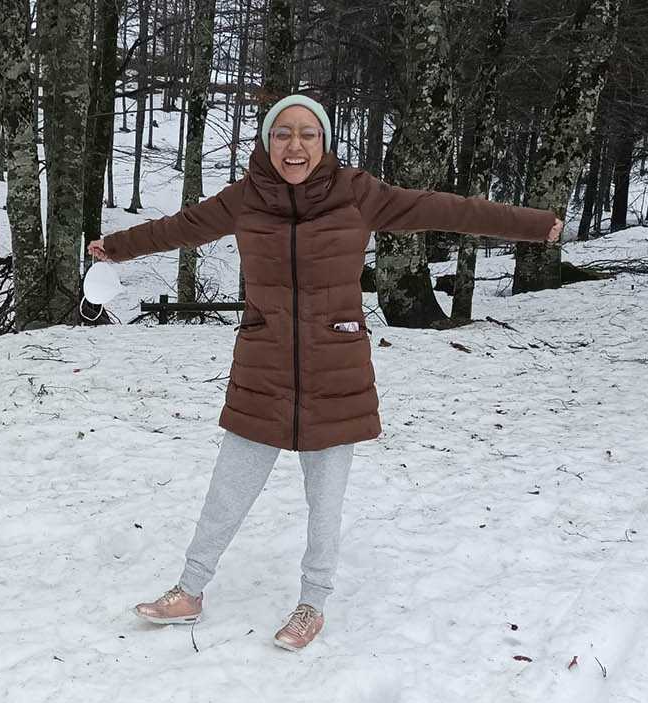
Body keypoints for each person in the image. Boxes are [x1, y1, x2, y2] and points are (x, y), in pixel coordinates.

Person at [87, 94, 562, 651]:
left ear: (324, 141)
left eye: (307, 134)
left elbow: (447, 209)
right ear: (267, 142)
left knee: (325, 500)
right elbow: (179, 228)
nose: (294, 145)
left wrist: (536, 225)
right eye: (282, 133)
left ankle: (312, 604)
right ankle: (190, 590)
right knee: (227, 490)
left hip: (336, 369)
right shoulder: (244, 200)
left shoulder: (358, 194)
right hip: (262, 367)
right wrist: (116, 248)